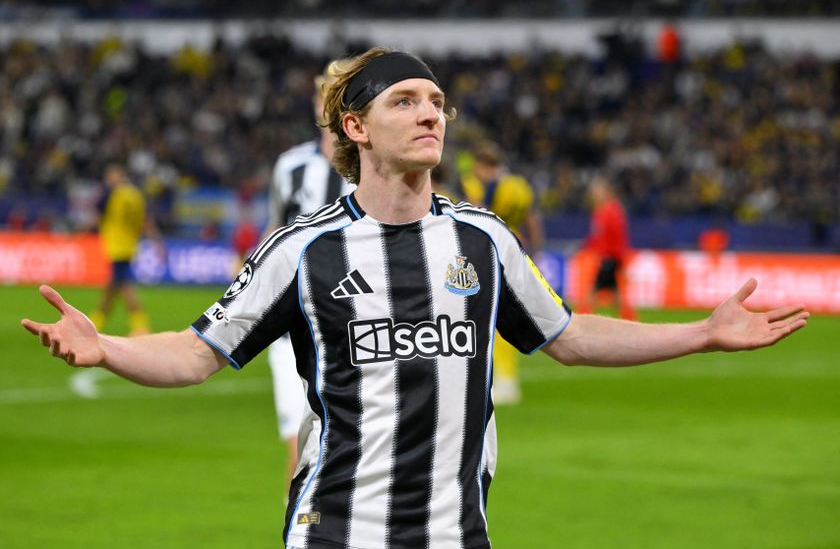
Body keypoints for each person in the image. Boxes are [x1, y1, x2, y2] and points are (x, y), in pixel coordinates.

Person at [22, 47, 809, 549]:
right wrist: (109, 349)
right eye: (406, 99)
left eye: (437, 102)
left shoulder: (483, 239)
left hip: (458, 534)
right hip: (337, 534)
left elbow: (567, 335)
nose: (430, 112)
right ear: (355, 126)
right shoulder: (303, 250)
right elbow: (196, 354)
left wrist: (700, 333)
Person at [264, 61, 354, 494]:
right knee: (300, 446)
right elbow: (274, 233)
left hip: (354, 329)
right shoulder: (291, 167)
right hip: (292, 328)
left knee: (344, 448)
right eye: (327, 96)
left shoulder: (375, 171)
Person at [459, 139, 544, 404]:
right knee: (510, 313)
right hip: (516, 246)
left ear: (484, 164)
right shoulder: (519, 185)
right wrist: (536, 251)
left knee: (486, 316)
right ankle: (508, 379)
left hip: (490, 249)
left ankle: (494, 378)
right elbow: (533, 219)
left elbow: (479, 213)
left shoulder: (482, 186)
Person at [87, 164, 154, 335]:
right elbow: (144, 220)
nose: (109, 180)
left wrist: (81, 229)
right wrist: (156, 240)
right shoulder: (136, 195)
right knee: (112, 285)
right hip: (129, 244)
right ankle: (96, 321)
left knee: (123, 285)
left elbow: (98, 212)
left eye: (111, 176)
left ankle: (140, 325)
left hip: (116, 244)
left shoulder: (113, 194)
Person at [579, 176, 637, 320]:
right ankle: (630, 320)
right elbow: (598, 237)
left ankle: (584, 318)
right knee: (615, 293)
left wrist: (618, 257)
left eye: (596, 191)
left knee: (593, 290)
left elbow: (618, 236)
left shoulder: (610, 211)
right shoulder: (603, 210)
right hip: (610, 257)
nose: (593, 194)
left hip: (610, 258)